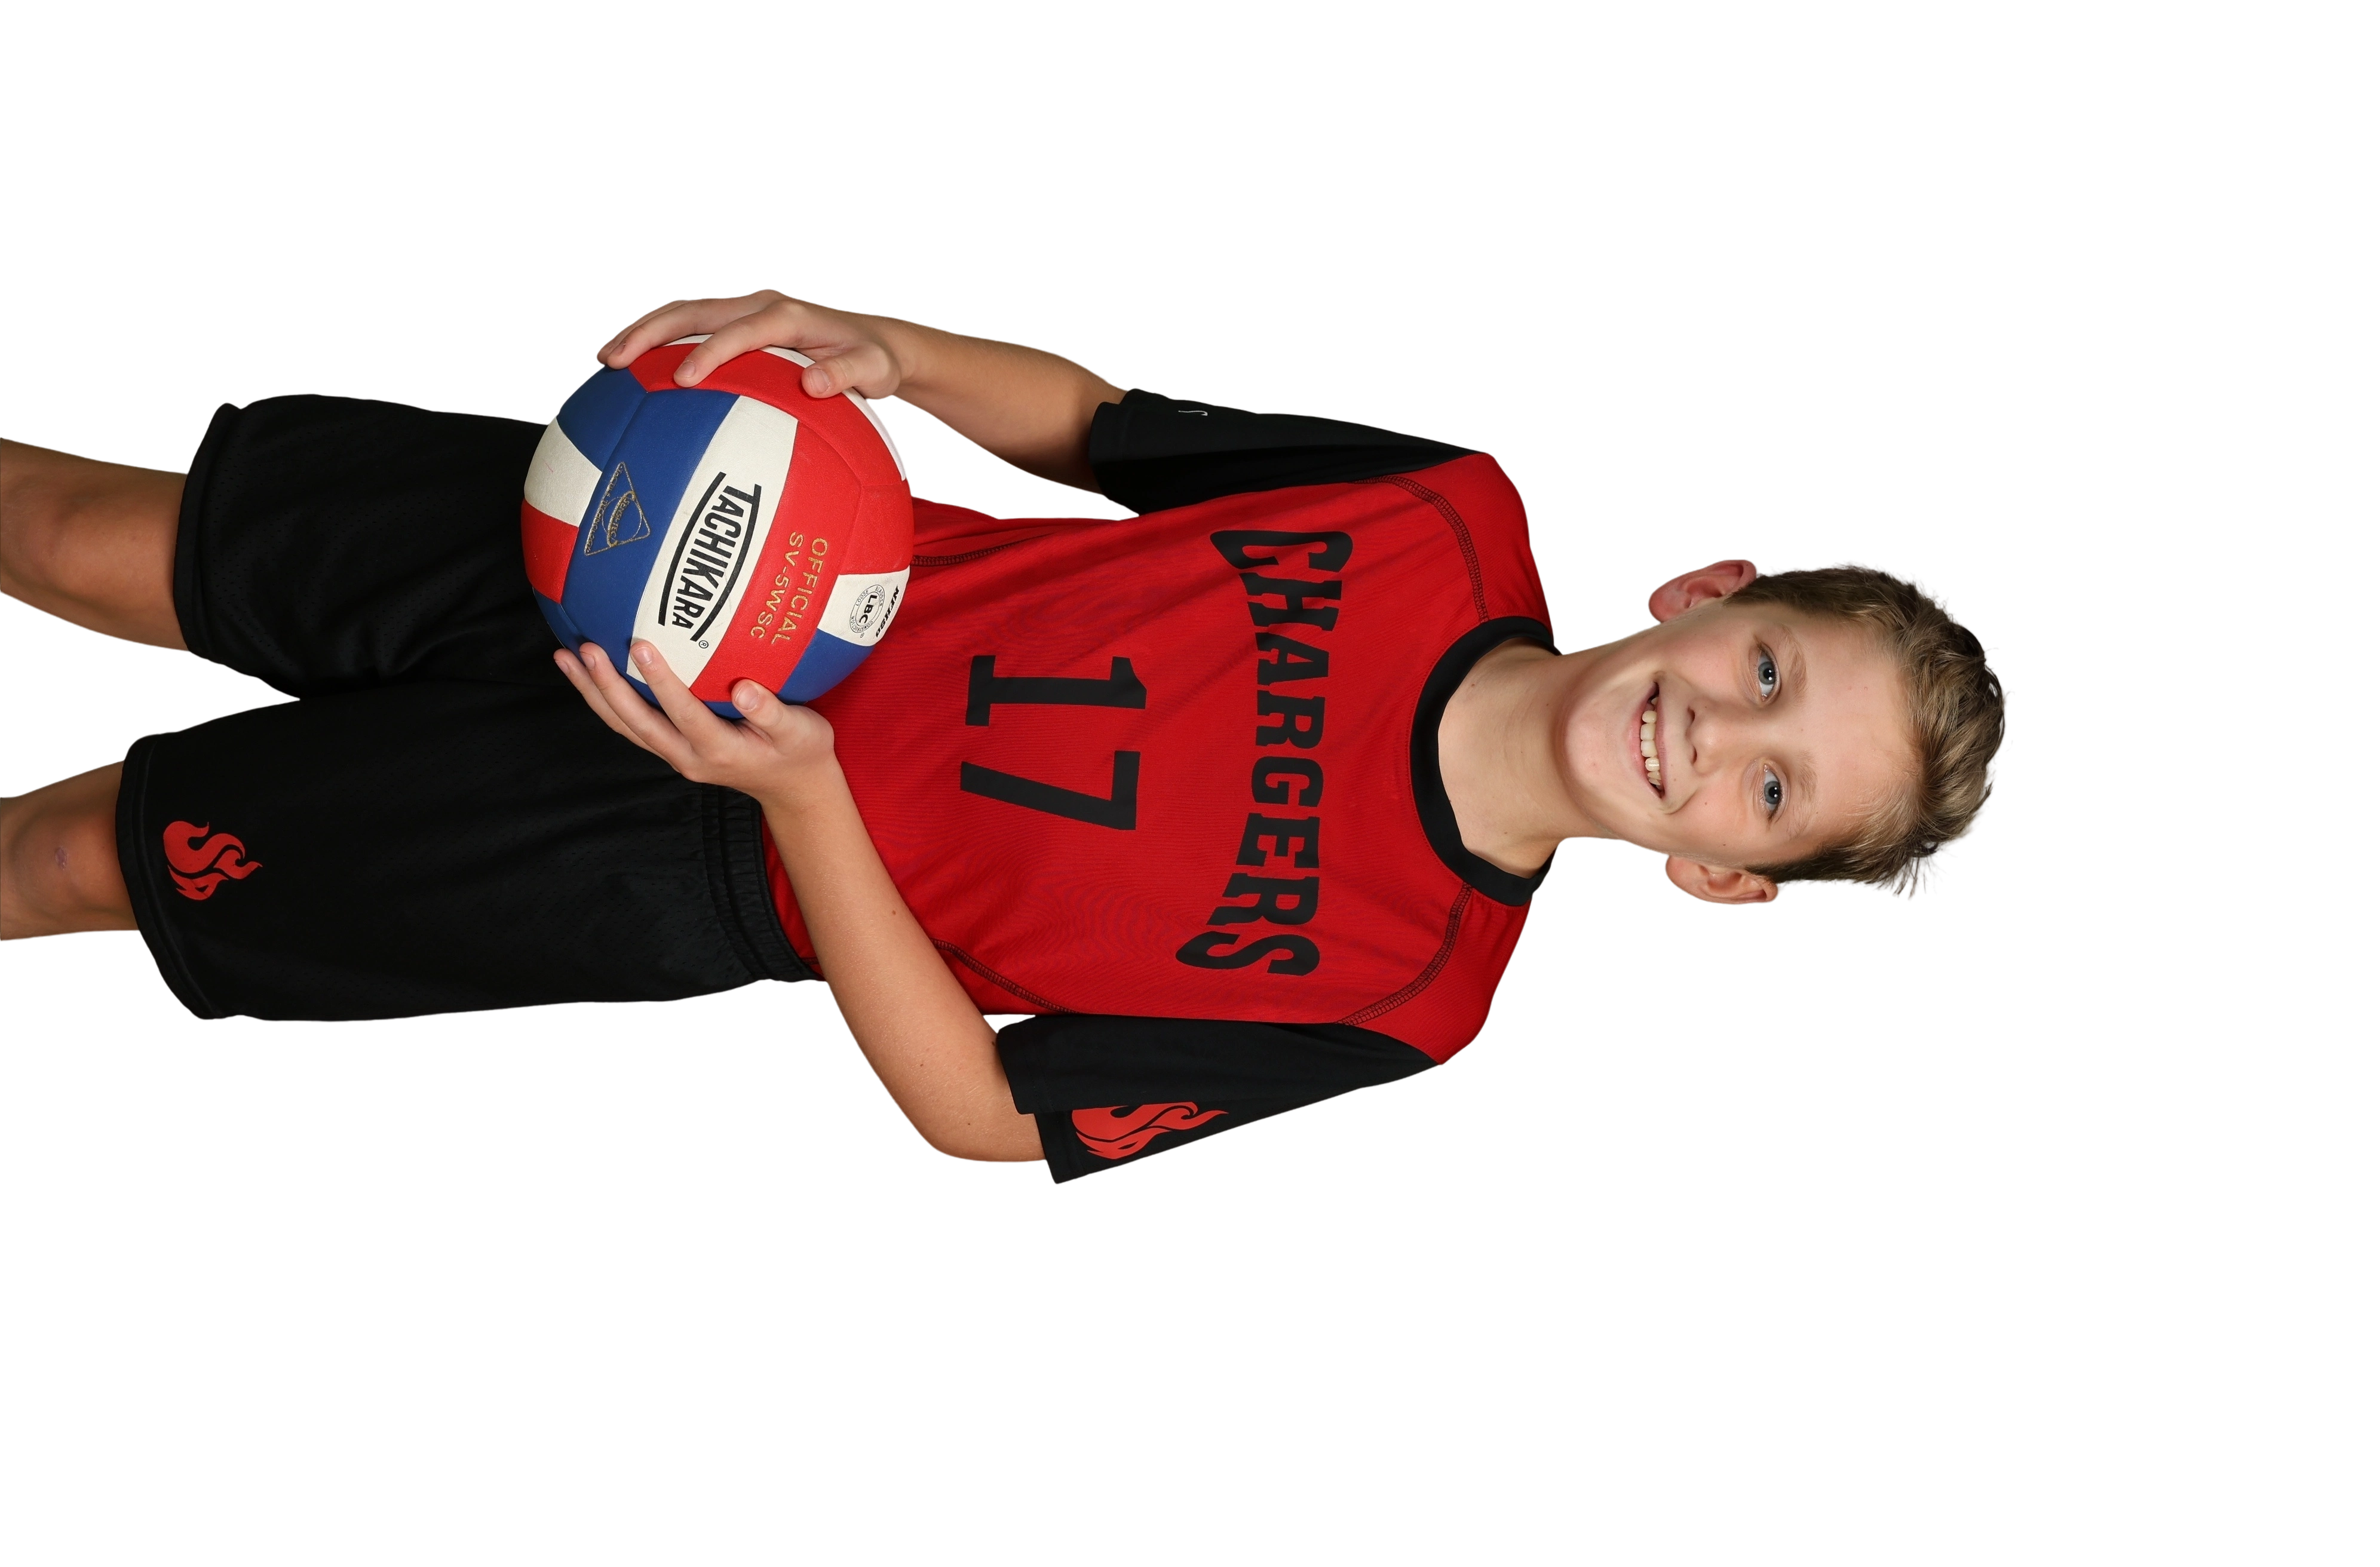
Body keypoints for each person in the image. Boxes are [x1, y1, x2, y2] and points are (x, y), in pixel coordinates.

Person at [0, 290, 2014, 1182]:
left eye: (1773, 788)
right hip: (733, 543)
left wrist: (805, 801)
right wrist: (885, 353)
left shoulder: (1405, 1000)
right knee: (78, 532)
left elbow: (982, 1112)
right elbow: (1103, 432)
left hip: (677, 856)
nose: (1713, 733)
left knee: (84, 865)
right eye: (1769, 669)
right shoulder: (1445, 513)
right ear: (1706, 593)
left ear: (1723, 874)